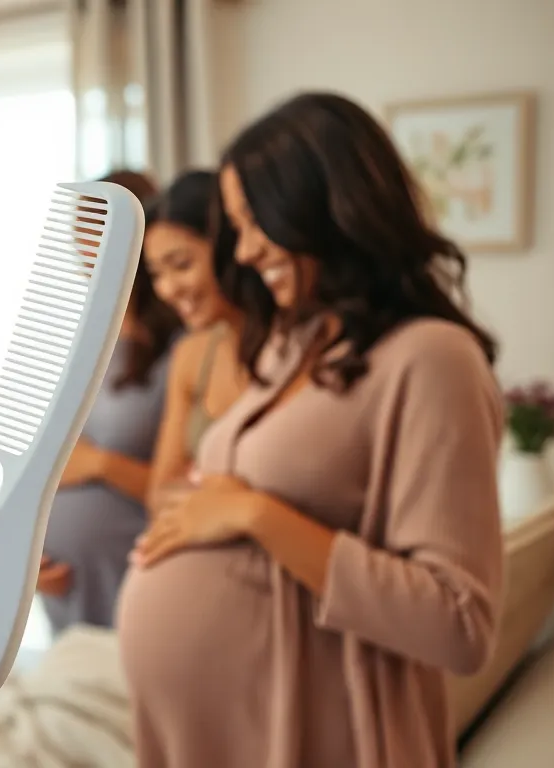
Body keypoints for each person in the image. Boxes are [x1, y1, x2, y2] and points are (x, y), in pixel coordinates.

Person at [118, 91, 505, 767]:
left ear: (324, 205)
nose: (241, 250)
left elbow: (459, 624)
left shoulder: (431, 359)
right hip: (214, 732)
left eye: (253, 221)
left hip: (327, 733)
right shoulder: (289, 346)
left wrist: (256, 514)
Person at [36, 170, 181, 633]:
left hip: (136, 584)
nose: (87, 254)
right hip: (66, 589)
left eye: (97, 235)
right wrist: (28, 548)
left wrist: (100, 464)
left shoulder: (183, 347)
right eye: (80, 237)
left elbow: (184, 486)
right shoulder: (86, 341)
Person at [139, 170, 255, 498]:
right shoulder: (192, 354)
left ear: (227, 245)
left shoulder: (290, 348)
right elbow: (159, 493)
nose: (167, 289)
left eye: (181, 265)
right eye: (156, 274)